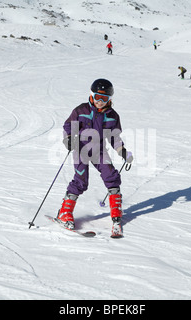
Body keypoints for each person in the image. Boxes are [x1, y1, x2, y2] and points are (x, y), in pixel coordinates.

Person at [58, 79, 134, 236]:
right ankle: (64, 212)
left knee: (111, 175)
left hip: (99, 151)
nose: (100, 102)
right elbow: (68, 126)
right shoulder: (81, 110)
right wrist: (69, 138)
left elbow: (115, 137)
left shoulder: (112, 116)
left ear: (110, 99)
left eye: (104, 99)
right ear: (92, 95)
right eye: (98, 97)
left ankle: (116, 213)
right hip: (81, 149)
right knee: (81, 180)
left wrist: (122, 151)